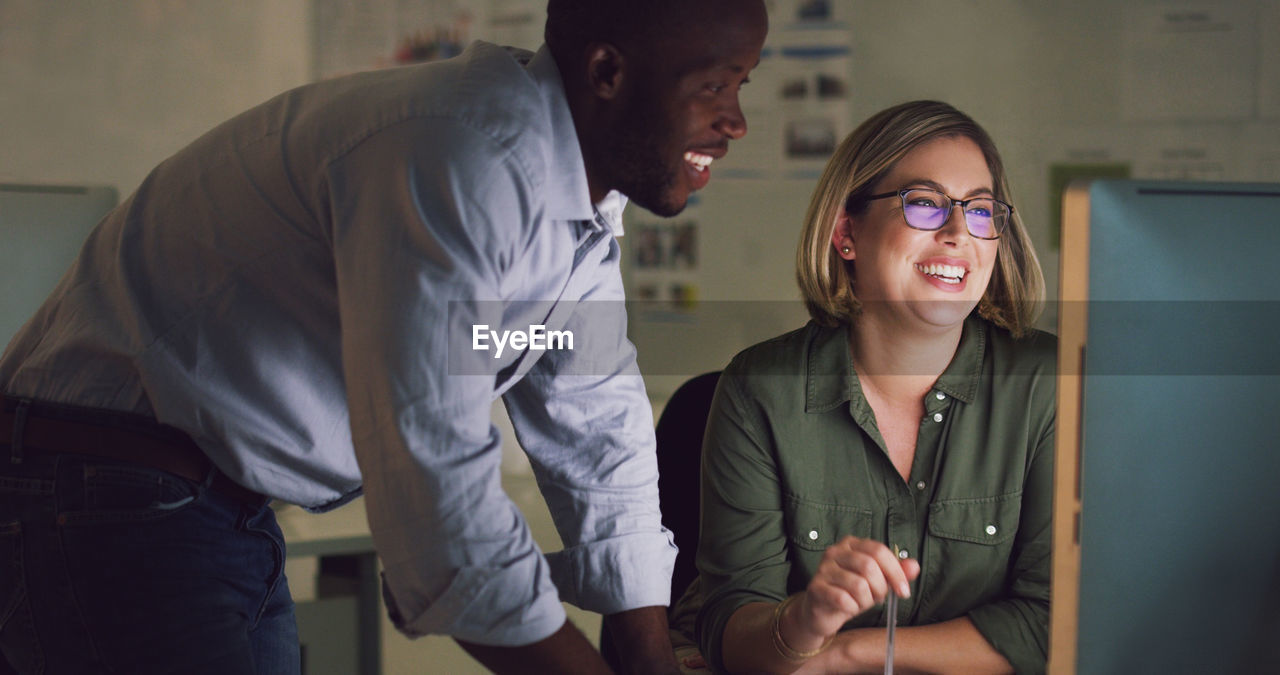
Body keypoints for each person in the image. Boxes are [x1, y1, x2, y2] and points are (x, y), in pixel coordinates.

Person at [0, 1, 768, 673]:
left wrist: (648, 653)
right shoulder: (465, 160)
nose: (736, 121)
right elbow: (442, 512)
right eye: (713, 84)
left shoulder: (574, 210)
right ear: (607, 71)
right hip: (106, 488)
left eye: (742, 85)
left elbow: (596, 420)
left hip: (202, 500)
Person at [671, 100, 1053, 674]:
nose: (958, 233)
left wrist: (848, 652)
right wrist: (806, 619)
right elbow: (730, 628)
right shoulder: (760, 391)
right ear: (846, 232)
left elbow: (1057, 620)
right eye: (924, 204)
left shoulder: (1048, 384)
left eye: (980, 210)